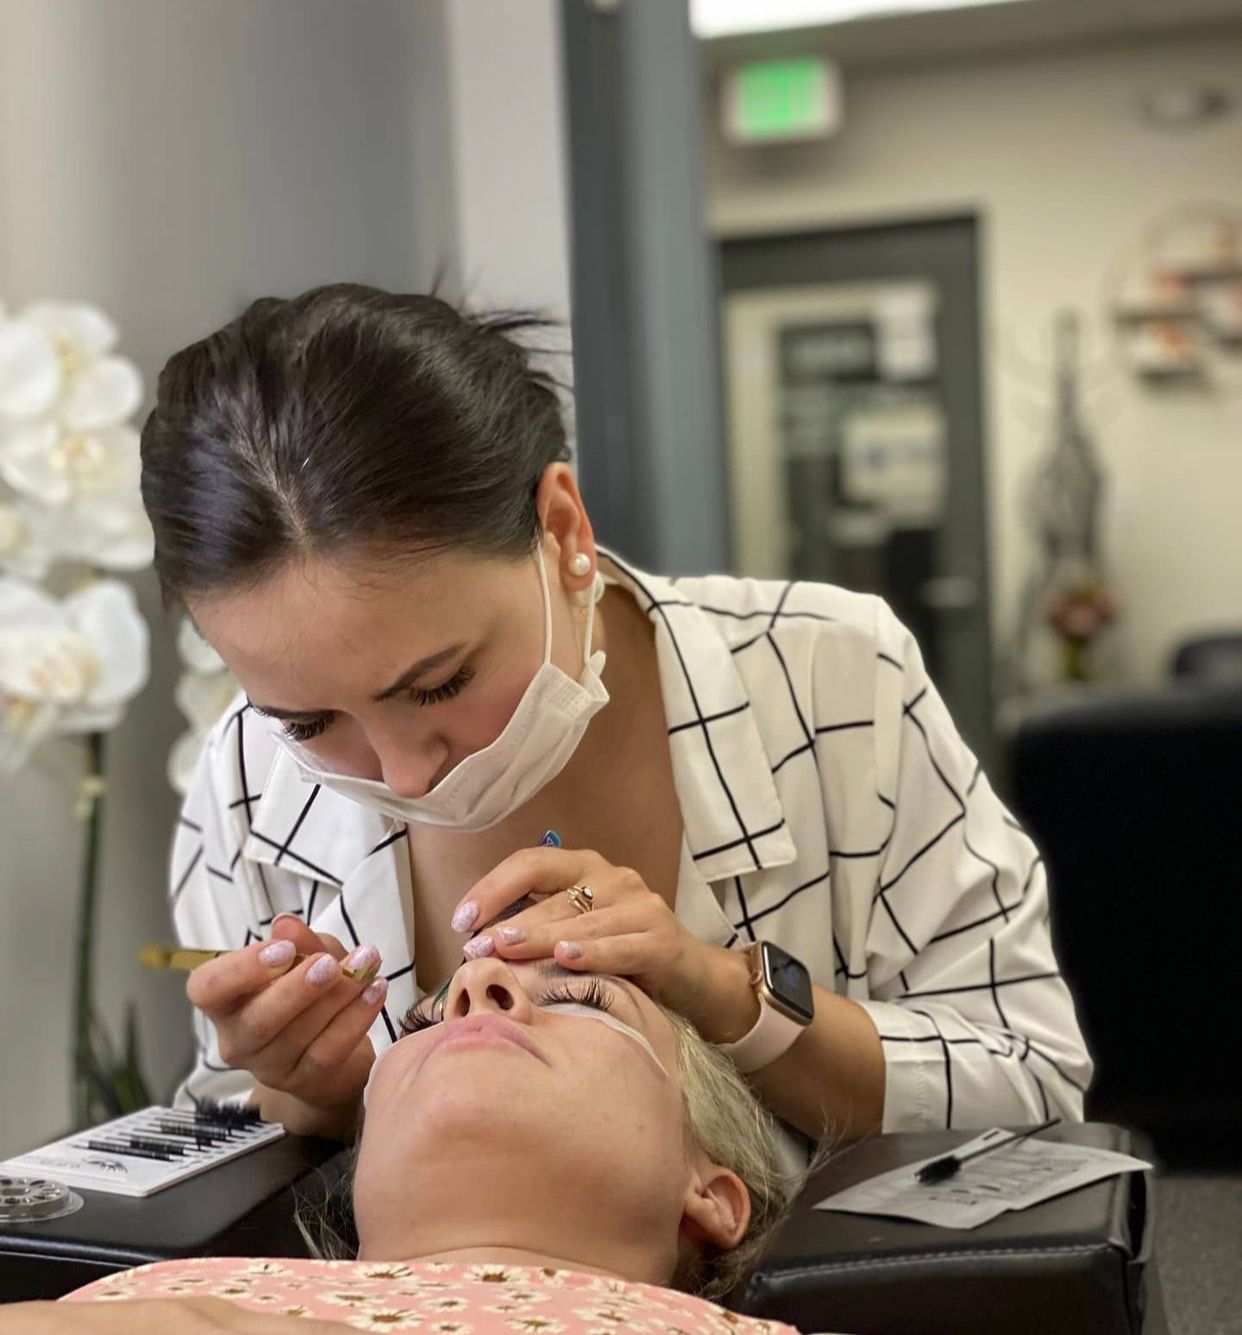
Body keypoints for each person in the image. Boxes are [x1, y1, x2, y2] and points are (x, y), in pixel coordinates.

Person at [144, 284, 1090, 1148]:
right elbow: (226, 1147)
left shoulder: (832, 673)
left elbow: (1032, 1079)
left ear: (562, 530)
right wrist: (310, 1095)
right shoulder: (244, 774)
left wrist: (725, 996)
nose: (403, 775)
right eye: (310, 724)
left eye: (437, 684)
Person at [4, 955, 1066, 1335]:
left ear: (715, 1193)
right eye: (426, 1014)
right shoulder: (163, 1292)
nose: (474, 988)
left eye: (583, 998)